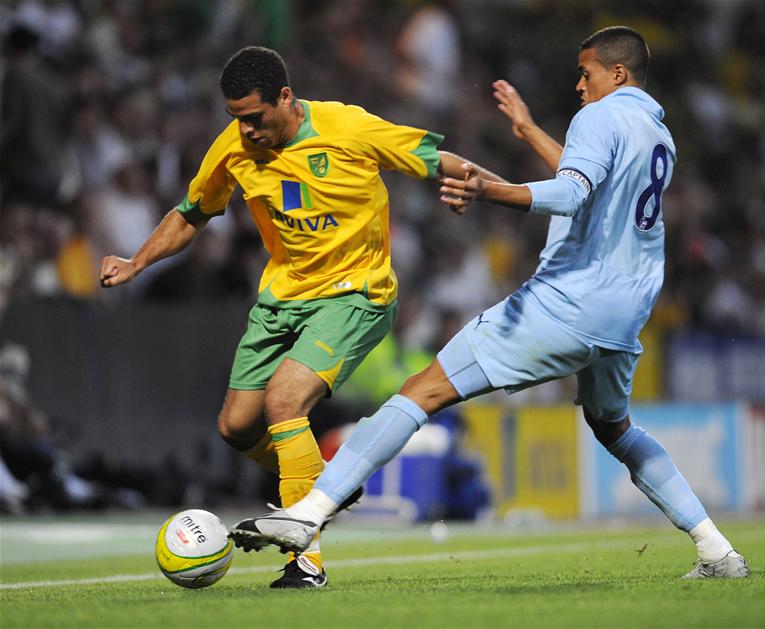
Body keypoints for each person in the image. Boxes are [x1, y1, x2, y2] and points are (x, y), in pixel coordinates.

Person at [228, 27, 751, 580]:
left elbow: (572, 193)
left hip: (566, 304)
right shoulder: (655, 130)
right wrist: (527, 132)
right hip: (625, 313)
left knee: (421, 391)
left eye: (586, 72)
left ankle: (307, 514)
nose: (578, 84)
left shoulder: (598, 117)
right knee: (613, 426)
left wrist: (489, 190)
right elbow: (593, 189)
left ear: (616, 74)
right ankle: (717, 550)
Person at [99, 46, 505, 589]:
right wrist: (136, 262)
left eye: (254, 117)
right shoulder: (234, 148)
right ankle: (325, 485)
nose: (245, 130)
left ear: (285, 98)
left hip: (355, 293)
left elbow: (439, 159)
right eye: (235, 119)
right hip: (282, 297)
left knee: (284, 401)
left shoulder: (347, 128)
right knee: (236, 426)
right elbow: (192, 213)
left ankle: (305, 561)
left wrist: (504, 192)